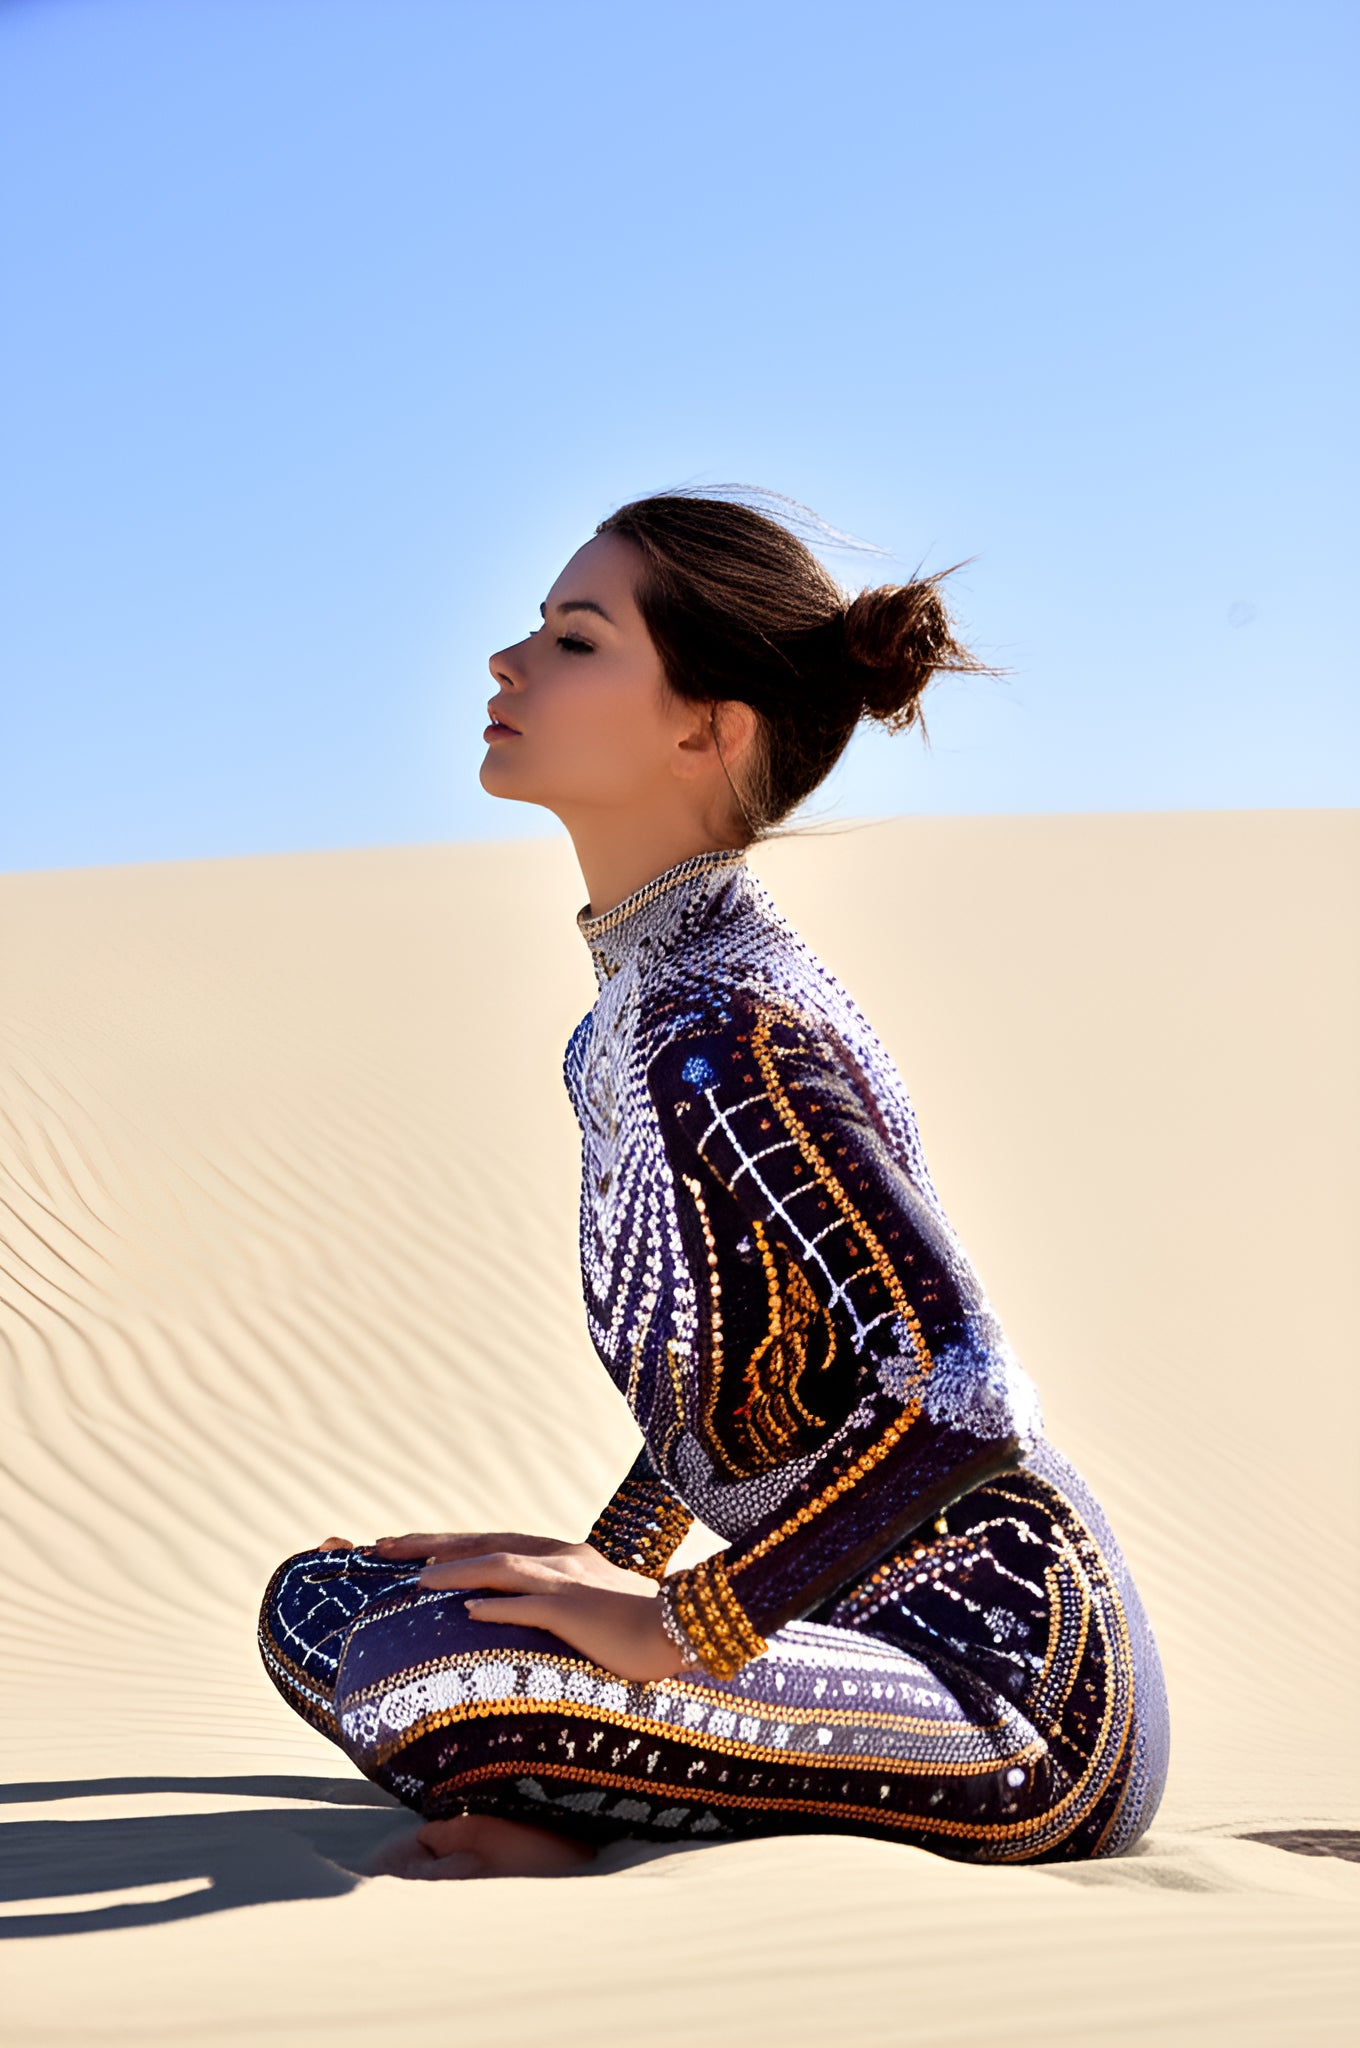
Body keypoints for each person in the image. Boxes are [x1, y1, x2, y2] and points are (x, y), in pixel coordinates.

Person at [258, 492, 1168, 1880]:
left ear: (705, 727)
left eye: (574, 640)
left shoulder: (722, 1029)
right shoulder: (644, 1009)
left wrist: (678, 1626)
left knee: (409, 1664)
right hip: (806, 1635)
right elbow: (734, 1369)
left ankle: (593, 1824)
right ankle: (602, 1795)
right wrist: (616, 1563)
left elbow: (963, 1384)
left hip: (1016, 1706)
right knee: (326, 1603)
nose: (506, 664)